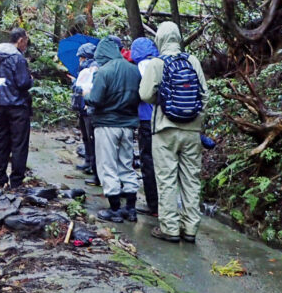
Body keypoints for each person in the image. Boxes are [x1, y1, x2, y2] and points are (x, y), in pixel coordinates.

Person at [139, 21, 208, 243]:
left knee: (167, 179)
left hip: (164, 129)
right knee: (191, 179)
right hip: (192, 131)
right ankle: (190, 228)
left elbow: (145, 94)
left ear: (159, 39)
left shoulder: (156, 63)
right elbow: (204, 95)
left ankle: (169, 228)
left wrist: (164, 100)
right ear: (178, 38)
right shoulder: (192, 61)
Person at [85, 37, 141, 223]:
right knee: (127, 165)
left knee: (107, 165)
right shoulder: (134, 70)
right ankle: (131, 209)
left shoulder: (105, 71)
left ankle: (115, 209)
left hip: (107, 125)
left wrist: (85, 96)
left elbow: (95, 99)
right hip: (128, 125)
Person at [0, 28, 33, 189]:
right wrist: (31, 79)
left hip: (0, 104)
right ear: (20, 40)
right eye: (26, 41)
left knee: (1, 141)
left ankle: (0, 178)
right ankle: (16, 181)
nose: (26, 45)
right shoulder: (18, 58)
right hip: (17, 106)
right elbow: (23, 83)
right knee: (19, 144)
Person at [129, 37, 160, 217]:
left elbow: (137, 95)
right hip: (164, 121)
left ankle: (153, 205)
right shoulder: (161, 64)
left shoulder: (139, 69)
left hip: (146, 121)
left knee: (148, 162)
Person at [72, 42, 100, 186]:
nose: (79, 60)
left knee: (91, 137)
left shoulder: (94, 68)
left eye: (80, 57)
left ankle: (92, 165)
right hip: (83, 107)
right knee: (86, 136)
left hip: (89, 108)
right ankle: (88, 161)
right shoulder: (83, 68)